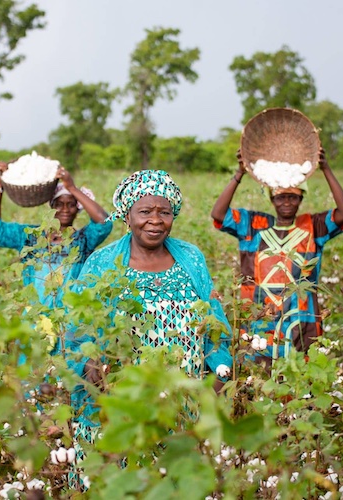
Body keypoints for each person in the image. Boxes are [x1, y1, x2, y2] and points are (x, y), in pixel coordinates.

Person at [71, 169, 232, 443]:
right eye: (145, 212)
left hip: (185, 408)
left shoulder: (191, 259)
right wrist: (91, 367)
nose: (155, 221)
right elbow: (78, 334)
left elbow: (215, 328)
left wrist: (217, 381)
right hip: (122, 406)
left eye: (164, 212)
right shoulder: (102, 263)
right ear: (128, 215)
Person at [211, 148, 343, 367]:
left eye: (293, 197)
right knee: (258, 373)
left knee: (300, 376)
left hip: (301, 317)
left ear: (300, 199)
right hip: (259, 316)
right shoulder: (254, 225)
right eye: (281, 197)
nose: (287, 202)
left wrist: (326, 169)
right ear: (272, 199)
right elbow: (219, 215)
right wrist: (239, 174)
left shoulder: (313, 226)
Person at [0, 162, 113, 309]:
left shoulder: (83, 240)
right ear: (51, 206)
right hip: (37, 320)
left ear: (77, 209)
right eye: (59, 204)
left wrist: (72, 188)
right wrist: (0, 186)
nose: (65, 209)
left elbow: (104, 223)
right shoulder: (30, 237)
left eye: (71, 204)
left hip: (71, 319)